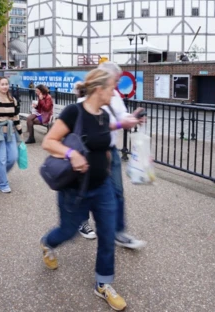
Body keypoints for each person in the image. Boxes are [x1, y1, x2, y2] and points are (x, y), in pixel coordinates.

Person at [40, 69, 126, 311]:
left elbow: (105, 146)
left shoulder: (104, 115)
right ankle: (47, 242)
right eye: (111, 87)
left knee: (107, 235)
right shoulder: (73, 112)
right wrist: (72, 154)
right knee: (68, 231)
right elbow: (49, 142)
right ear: (99, 89)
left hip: (102, 187)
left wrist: (107, 170)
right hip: (74, 190)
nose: (114, 92)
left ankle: (103, 284)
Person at [75, 63, 146, 250]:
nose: (118, 83)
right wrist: (122, 124)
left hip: (110, 149)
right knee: (86, 191)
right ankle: (81, 221)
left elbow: (120, 116)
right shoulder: (88, 98)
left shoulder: (114, 95)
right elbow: (93, 128)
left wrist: (133, 118)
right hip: (89, 153)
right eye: (116, 79)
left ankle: (118, 232)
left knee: (117, 192)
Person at [0, 76, 23, 193]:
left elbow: (16, 118)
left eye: (6, 84)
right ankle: (3, 183)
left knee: (13, 157)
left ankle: (1, 174)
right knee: (1, 159)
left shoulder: (13, 100)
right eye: (2, 84)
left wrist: (20, 133)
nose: (5, 86)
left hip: (11, 132)